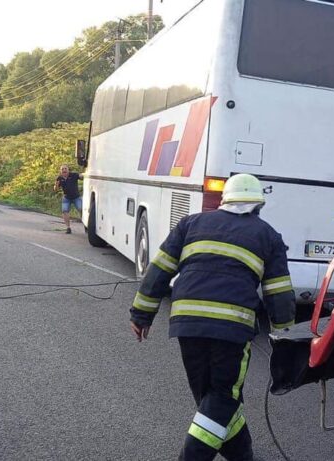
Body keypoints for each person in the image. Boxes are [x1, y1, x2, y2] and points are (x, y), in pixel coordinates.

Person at [128, 174, 295, 461]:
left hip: (187, 323)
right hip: (231, 328)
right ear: (257, 206)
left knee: (212, 397)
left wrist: (142, 314)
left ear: (224, 200)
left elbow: (159, 269)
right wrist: (286, 339)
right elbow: (278, 292)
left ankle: (241, 454)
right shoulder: (268, 235)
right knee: (221, 397)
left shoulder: (190, 223)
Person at [53, 165, 82, 234]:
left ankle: (86, 224)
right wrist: (56, 185)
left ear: (68, 170)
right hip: (66, 198)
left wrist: (83, 175)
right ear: (61, 171)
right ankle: (68, 228)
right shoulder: (59, 178)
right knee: (65, 211)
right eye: (62, 169)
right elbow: (55, 189)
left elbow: (81, 176)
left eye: (65, 169)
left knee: (81, 209)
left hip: (76, 197)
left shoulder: (73, 175)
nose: (64, 170)